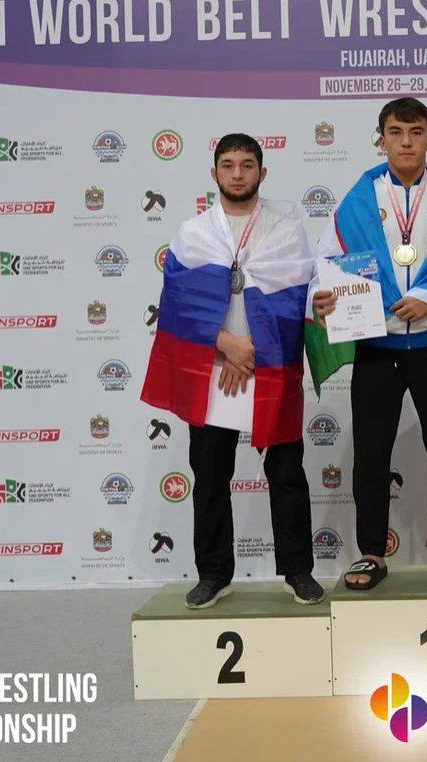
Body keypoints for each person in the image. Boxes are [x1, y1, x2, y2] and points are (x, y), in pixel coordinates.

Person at [141, 133, 322, 609]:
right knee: (210, 476)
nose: (237, 174)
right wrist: (227, 345)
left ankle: (298, 571)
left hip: (270, 364)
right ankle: (214, 573)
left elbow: (298, 299)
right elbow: (178, 306)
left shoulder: (285, 230)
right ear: (214, 172)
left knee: (286, 472)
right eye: (228, 165)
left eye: (246, 165)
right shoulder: (193, 233)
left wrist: (253, 352)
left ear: (262, 172)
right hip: (213, 367)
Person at [309, 98, 427, 590]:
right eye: (396, 132)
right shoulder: (359, 198)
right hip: (377, 348)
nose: (406, 142)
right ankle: (370, 552)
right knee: (370, 454)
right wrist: (319, 297)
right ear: (381, 138)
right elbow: (329, 258)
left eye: (416, 132)